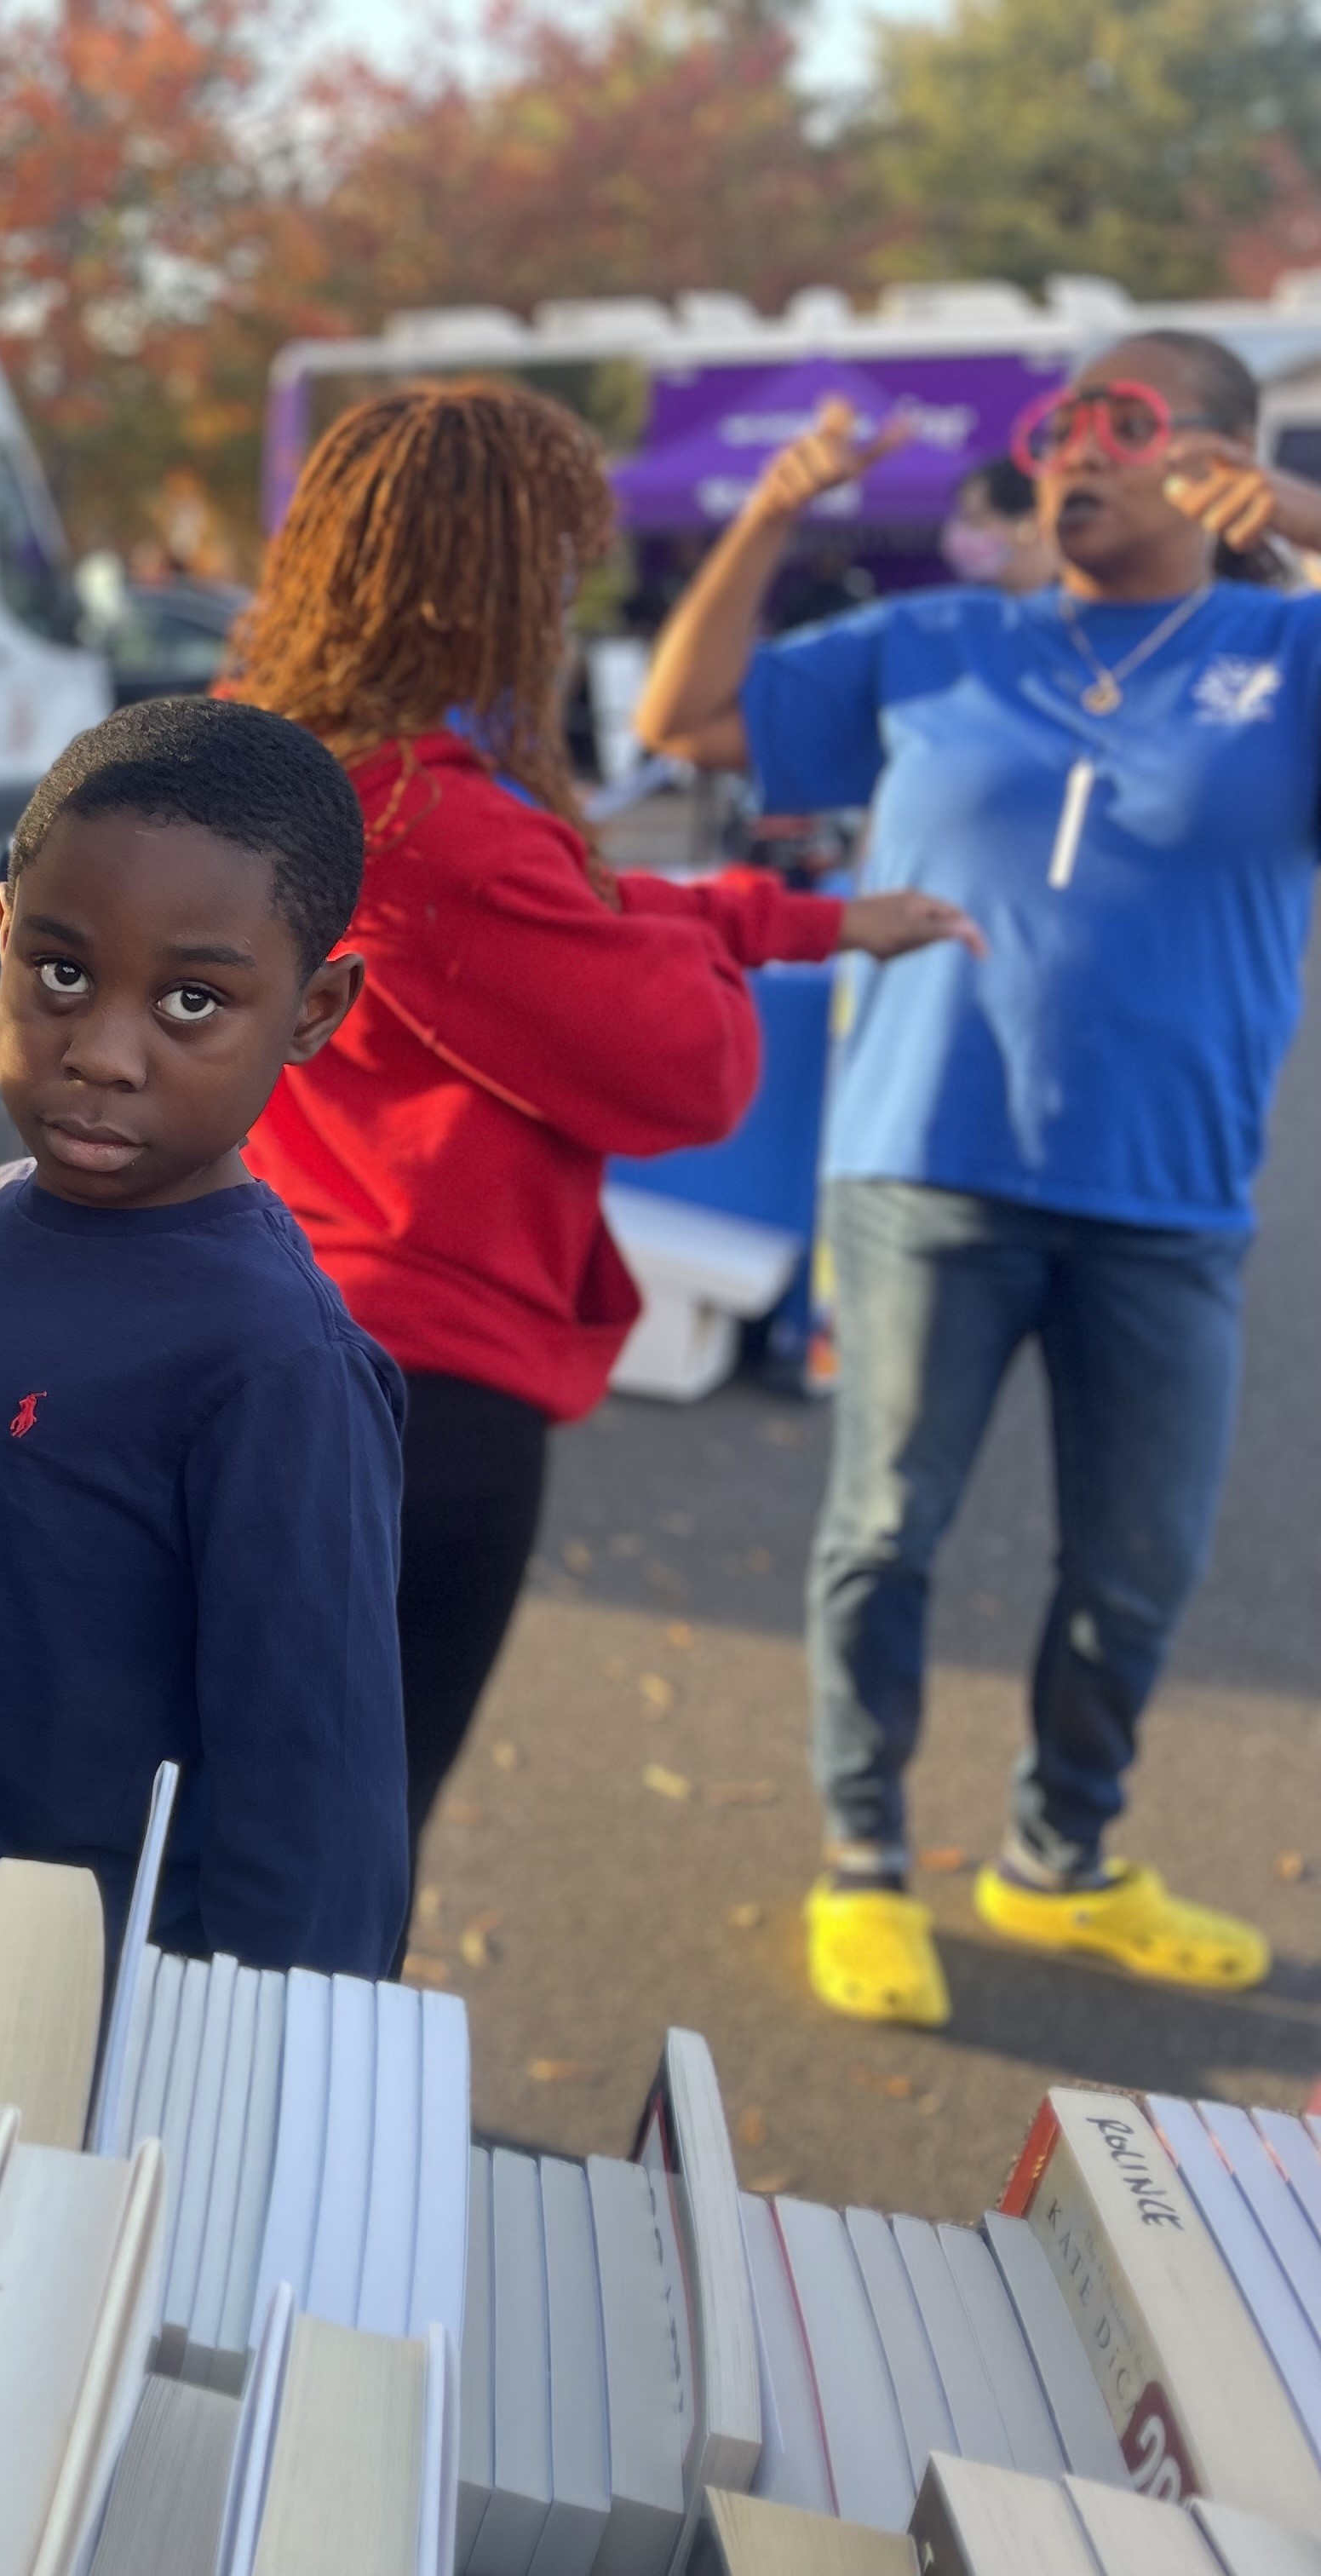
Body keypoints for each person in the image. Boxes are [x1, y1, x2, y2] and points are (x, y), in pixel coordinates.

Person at [635, 330, 1318, 2024]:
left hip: (1168, 1200)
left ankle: (1061, 1857)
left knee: (1136, 1562)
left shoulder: (1288, 654)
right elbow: (681, 716)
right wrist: (773, 515)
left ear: (1219, 458)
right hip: (927, 1170)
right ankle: (865, 1860)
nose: (1076, 450)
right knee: (884, 1528)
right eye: (1059, 423)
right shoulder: (940, 641)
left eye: (1126, 422)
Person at [228, 382, 979, 1849]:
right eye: (555, 576)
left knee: (213, 1820)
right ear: (486, 596)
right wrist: (730, 952)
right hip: (415, 1391)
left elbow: (582, 907)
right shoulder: (436, 826)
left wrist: (795, 921)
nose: (567, 612)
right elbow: (686, 1068)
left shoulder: (259, 771)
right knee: (341, 1851)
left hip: (246, 1330)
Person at [0, 693, 409, 1976]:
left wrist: (258, 2078)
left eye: (193, 1000)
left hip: (97, 2019)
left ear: (314, 1010)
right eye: (63, 974)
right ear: (6, 932)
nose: (106, 1052)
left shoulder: (278, 1367)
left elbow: (319, 1815)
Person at [945, 457, 1057, 596]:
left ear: (1029, 525)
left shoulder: (1077, 602)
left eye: (975, 519)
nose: (962, 532)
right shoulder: (994, 608)